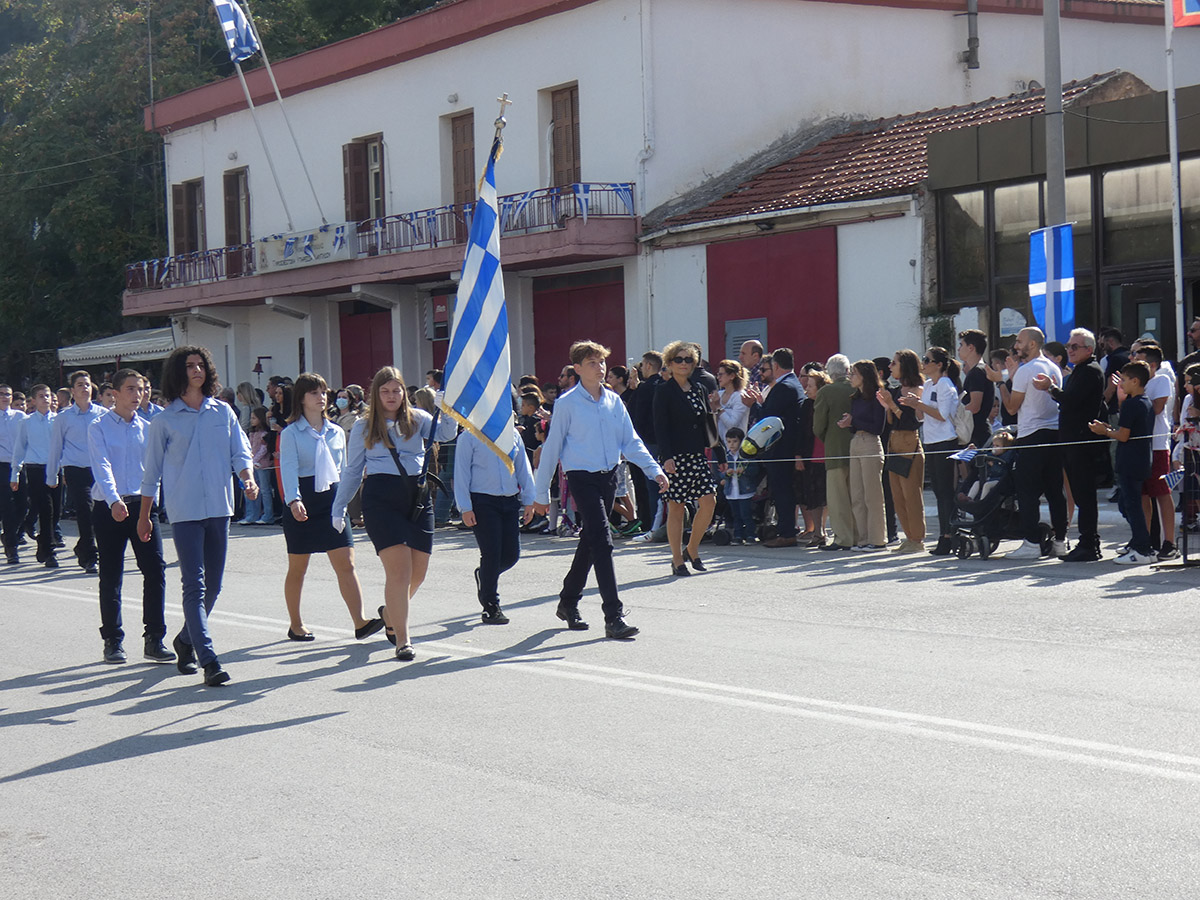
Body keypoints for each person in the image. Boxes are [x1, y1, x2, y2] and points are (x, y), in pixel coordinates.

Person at [137, 346, 257, 687]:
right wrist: (144, 516)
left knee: (214, 587)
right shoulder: (163, 420)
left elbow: (240, 450)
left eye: (200, 365)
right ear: (178, 373)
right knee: (194, 584)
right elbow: (152, 474)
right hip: (184, 510)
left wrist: (247, 478)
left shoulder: (223, 412)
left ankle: (185, 639)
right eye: (189, 366)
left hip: (220, 507)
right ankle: (209, 659)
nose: (196, 370)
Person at [532, 340, 668, 639]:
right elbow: (552, 448)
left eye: (602, 362)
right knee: (603, 542)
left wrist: (654, 469)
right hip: (581, 477)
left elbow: (630, 441)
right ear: (578, 368)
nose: (601, 367)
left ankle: (568, 602)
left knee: (592, 540)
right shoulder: (567, 403)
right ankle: (613, 616)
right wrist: (540, 494)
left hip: (609, 477)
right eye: (593, 362)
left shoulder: (613, 401)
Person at [330, 366, 457, 661]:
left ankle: (390, 612)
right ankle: (403, 639)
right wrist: (339, 507)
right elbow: (352, 470)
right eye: (385, 391)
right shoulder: (364, 425)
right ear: (376, 393)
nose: (391, 396)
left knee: (419, 573)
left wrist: (445, 407)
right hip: (381, 498)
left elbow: (448, 433)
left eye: (396, 390)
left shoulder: (419, 419)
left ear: (404, 392)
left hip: (417, 496)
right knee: (399, 572)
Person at [277, 372, 383, 643]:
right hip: (304, 500)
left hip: (333, 501)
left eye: (323, 392)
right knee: (298, 568)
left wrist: (348, 501)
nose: (321, 397)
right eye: (314, 393)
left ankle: (360, 622)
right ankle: (296, 623)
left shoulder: (336, 432)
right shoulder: (291, 433)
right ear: (301, 398)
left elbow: (346, 469)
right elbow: (287, 469)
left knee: (346, 564)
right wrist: (293, 499)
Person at [87, 368, 173, 665]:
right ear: (115, 392)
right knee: (111, 573)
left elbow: (155, 470)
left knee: (155, 570)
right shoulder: (98, 426)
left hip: (142, 505)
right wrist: (113, 500)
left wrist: (152, 505)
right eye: (131, 389)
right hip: (109, 506)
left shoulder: (147, 428)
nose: (138, 395)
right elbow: (101, 465)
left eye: (141, 389)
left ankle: (154, 638)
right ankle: (113, 639)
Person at [989, 327, 1067, 559]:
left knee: (1028, 491)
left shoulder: (1026, 370)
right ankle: (1061, 541)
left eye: (1020, 341)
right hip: (1053, 433)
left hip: (1032, 434)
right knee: (1055, 490)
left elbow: (1012, 408)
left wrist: (1000, 383)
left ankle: (1032, 542)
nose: (1016, 345)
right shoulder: (1054, 367)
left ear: (1032, 344)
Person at [1032, 328, 1107, 561]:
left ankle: (1089, 543)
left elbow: (1072, 401)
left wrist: (1051, 389)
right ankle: (1087, 541)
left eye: (1075, 347)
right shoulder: (1080, 371)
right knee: (1080, 493)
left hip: (1082, 442)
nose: (1070, 351)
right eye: (1068, 346)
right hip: (1073, 440)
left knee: (1084, 495)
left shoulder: (1090, 372)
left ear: (1089, 349)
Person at [454, 425, 536, 624]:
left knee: (511, 555)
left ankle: (485, 575)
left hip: (509, 500)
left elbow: (523, 467)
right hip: (482, 502)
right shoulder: (469, 436)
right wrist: (465, 507)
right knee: (491, 553)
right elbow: (462, 473)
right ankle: (490, 604)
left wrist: (529, 500)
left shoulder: (513, 434)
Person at [654, 340, 722, 576]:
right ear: (670, 363)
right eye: (679, 360)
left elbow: (706, 425)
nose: (684, 364)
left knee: (709, 502)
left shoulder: (699, 389)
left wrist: (719, 451)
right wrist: (667, 457)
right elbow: (660, 427)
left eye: (688, 360)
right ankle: (676, 559)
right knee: (677, 508)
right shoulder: (663, 391)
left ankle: (692, 548)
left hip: (697, 455)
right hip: (676, 456)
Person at [1090, 362, 1155, 564]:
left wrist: (1104, 431)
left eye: (1125, 380)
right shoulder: (1146, 402)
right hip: (1142, 460)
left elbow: (1124, 435)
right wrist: (1110, 428)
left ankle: (1143, 549)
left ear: (1135, 381)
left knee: (1132, 505)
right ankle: (1139, 541)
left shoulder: (1131, 404)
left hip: (1130, 462)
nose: (1122, 384)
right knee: (1125, 504)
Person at [900, 347, 960, 556]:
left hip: (945, 440)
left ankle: (948, 536)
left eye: (927, 360)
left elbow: (942, 414)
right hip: (932, 441)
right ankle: (946, 534)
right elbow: (921, 416)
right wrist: (913, 404)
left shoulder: (945, 385)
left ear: (939, 365)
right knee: (937, 489)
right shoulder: (927, 385)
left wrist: (919, 405)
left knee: (945, 491)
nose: (924, 363)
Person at [745, 348, 806, 548]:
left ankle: (787, 532)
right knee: (782, 491)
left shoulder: (784, 387)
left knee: (782, 491)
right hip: (786, 448)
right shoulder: (793, 383)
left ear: (776, 366)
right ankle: (786, 529)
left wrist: (754, 404)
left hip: (781, 450)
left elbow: (767, 420)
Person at [47, 370, 107, 573]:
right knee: (84, 509)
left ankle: (83, 546)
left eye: (87, 384)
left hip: (98, 470)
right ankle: (90, 556)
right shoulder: (64, 418)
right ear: (72, 390)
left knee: (100, 513)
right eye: (80, 384)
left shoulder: (103, 415)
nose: (84, 388)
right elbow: (56, 447)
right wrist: (52, 474)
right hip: (74, 470)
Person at [876, 349, 926, 554]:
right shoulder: (896, 391)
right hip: (894, 443)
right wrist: (887, 407)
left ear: (905, 365)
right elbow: (892, 421)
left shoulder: (918, 389)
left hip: (909, 443)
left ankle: (917, 538)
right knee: (897, 495)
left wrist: (892, 406)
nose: (890, 367)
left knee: (911, 494)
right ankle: (908, 536)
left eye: (894, 363)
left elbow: (911, 421)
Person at [1133, 342, 1178, 560]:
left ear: (1151, 365)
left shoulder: (1161, 379)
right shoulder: (1135, 384)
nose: (1132, 362)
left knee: (1161, 492)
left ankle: (1169, 541)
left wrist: (1136, 392)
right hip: (1139, 445)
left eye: (1138, 359)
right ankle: (1145, 540)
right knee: (1142, 494)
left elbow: (1157, 408)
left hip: (1158, 444)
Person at [838, 360, 887, 550]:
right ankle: (863, 538)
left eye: (854, 373)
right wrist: (849, 423)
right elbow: (856, 424)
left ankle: (877, 539)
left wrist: (854, 420)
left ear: (865, 375)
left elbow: (878, 427)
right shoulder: (855, 398)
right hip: (856, 442)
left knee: (872, 495)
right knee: (857, 494)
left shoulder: (876, 396)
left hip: (870, 444)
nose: (850, 377)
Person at [10, 384, 57, 568]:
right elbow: (19, 448)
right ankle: (50, 551)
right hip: (35, 468)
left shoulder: (59, 420)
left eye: (47, 395)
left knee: (56, 512)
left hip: (56, 468)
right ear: (34, 401)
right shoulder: (26, 422)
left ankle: (41, 542)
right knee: (46, 509)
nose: (45, 399)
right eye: (41, 396)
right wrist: (15, 473)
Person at [811, 354, 856, 551]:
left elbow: (818, 425)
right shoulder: (856, 388)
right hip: (858, 448)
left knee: (838, 499)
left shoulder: (826, 392)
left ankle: (842, 538)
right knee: (857, 497)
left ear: (829, 372)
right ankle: (858, 535)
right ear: (848, 370)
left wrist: (827, 438)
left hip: (835, 449)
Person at [797, 367, 828, 546]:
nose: (806, 389)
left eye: (810, 385)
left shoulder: (826, 403)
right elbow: (800, 433)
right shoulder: (806, 405)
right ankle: (818, 532)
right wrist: (798, 455)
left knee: (828, 497)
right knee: (813, 497)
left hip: (828, 454)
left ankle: (824, 529)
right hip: (811, 456)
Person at [0, 383, 28, 564]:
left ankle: (10, 534)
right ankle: (11, 546)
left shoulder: (20, 417)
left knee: (23, 505)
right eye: (1, 394)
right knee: (8, 507)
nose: (4, 397)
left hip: (19, 464)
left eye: (7, 394)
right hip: (1, 465)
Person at [720, 427, 758, 544]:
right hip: (731, 492)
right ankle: (738, 535)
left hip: (745, 491)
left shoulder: (746, 456)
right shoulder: (726, 457)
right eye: (729, 442)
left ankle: (751, 534)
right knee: (736, 515)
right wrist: (726, 474)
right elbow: (720, 473)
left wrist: (744, 471)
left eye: (735, 441)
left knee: (746, 514)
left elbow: (755, 470)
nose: (731, 444)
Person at [958, 330, 994, 448]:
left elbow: (974, 406)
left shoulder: (977, 372)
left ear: (971, 347)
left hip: (977, 434)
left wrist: (954, 415)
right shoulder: (979, 370)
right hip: (977, 431)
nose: (959, 349)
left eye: (961, 345)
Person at [712, 360, 749, 444]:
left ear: (732, 376)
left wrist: (718, 407)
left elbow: (732, 425)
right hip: (719, 443)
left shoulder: (740, 396)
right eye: (718, 374)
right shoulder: (719, 395)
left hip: (735, 446)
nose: (718, 378)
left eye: (721, 374)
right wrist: (712, 408)